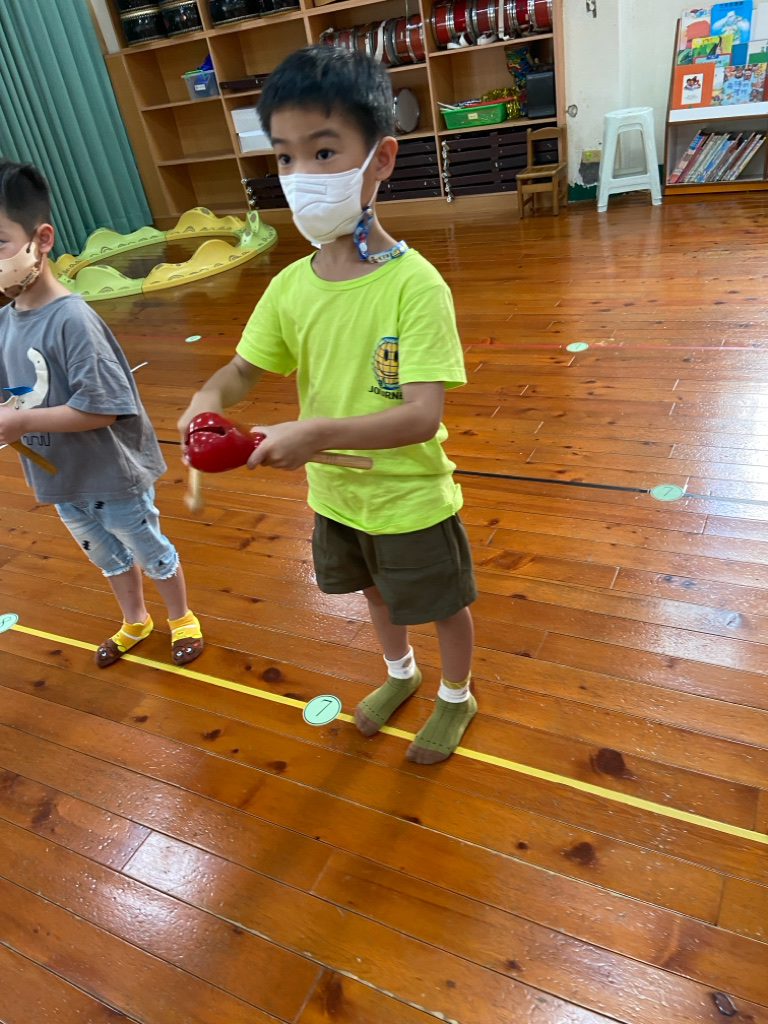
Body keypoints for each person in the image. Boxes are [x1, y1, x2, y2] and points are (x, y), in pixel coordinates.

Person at [178, 46, 477, 764]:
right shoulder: (290, 286)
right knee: (374, 595)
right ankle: (400, 674)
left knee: (440, 604)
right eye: (285, 157)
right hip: (335, 496)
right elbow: (243, 369)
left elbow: (422, 416)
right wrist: (207, 395)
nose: (301, 177)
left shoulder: (415, 286)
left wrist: (315, 431)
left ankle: (457, 695)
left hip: (409, 496)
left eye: (322, 152)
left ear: (380, 158)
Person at [0, 160, 204, 668]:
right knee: (107, 557)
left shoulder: (72, 319)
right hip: (61, 479)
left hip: (112, 476)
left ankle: (182, 617)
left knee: (150, 550)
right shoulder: (5, 321)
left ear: (41, 240)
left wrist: (21, 422)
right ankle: (135, 620)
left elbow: (99, 410)